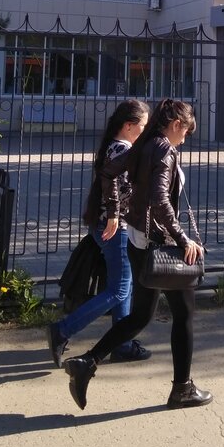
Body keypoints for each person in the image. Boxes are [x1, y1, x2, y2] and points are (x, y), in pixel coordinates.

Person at [65, 98, 212, 411]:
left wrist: (114, 211)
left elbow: (107, 171)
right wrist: (183, 239)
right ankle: (182, 390)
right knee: (184, 315)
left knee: (140, 316)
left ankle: (86, 363)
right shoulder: (164, 150)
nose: (185, 139)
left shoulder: (143, 144)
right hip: (159, 246)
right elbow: (160, 200)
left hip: (137, 241)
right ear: (176, 125)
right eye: (186, 132)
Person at [46, 98, 151, 368]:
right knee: (118, 289)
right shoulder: (122, 150)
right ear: (129, 126)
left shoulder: (115, 146)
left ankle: (122, 344)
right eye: (143, 125)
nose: (145, 130)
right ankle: (62, 330)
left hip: (109, 225)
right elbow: (117, 190)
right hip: (115, 228)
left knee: (123, 287)